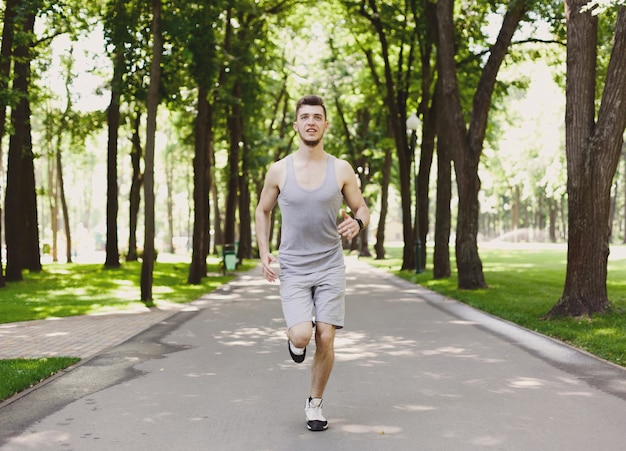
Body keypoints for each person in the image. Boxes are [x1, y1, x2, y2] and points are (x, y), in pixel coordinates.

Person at [255, 94, 370, 431]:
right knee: (304, 335)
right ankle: (295, 341)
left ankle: (315, 404)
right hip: (292, 266)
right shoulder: (279, 170)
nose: (311, 122)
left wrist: (359, 223)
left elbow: (362, 208)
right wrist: (263, 251)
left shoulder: (341, 169)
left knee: (326, 335)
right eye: (304, 117)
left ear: (325, 124)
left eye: (317, 117)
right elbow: (262, 211)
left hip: (331, 265)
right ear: (296, 125)